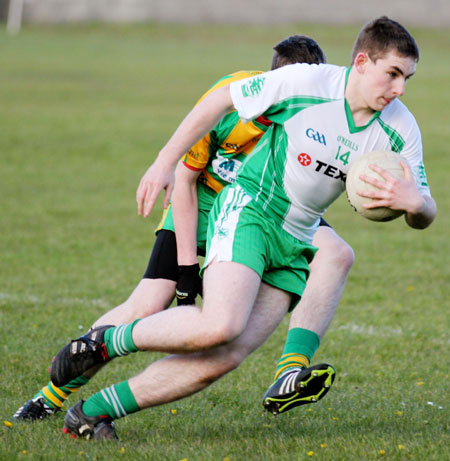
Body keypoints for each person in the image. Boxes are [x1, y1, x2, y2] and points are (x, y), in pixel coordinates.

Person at [45, 16, 436, 440]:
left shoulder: (399, 129)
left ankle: (92, 413)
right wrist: (163, 163)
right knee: (221, 325)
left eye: (407, 78)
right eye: (392, 74)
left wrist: (415, 205)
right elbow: (218, 101)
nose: (399, 89)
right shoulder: (306, 84)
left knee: (225, 356)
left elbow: (425, 209)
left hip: (298, 239)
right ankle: (105, 342)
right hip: (251, 209)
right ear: (362, 62)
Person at [14, 35, 347, 422]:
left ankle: (289, 371)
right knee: (150, 301)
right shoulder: (233, 99)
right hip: (203, 204)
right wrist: (188, 272)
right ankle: (47, 398)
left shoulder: (313, 115)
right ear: (273, 81)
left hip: (265, 208)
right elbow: (186, 182)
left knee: (337, 253)